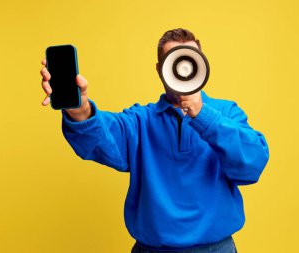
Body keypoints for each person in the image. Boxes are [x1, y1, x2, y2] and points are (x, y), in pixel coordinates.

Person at [40, 28, 270, 253]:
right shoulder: (140, 120)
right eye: (173, 62)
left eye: (189, 60)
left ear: (201, 64)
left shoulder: (226, 113)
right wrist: (79, 110)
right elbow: (100, 138)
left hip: (216, 248)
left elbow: (252, 165)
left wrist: (204, 116)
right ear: (160, 70)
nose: (183, 70)